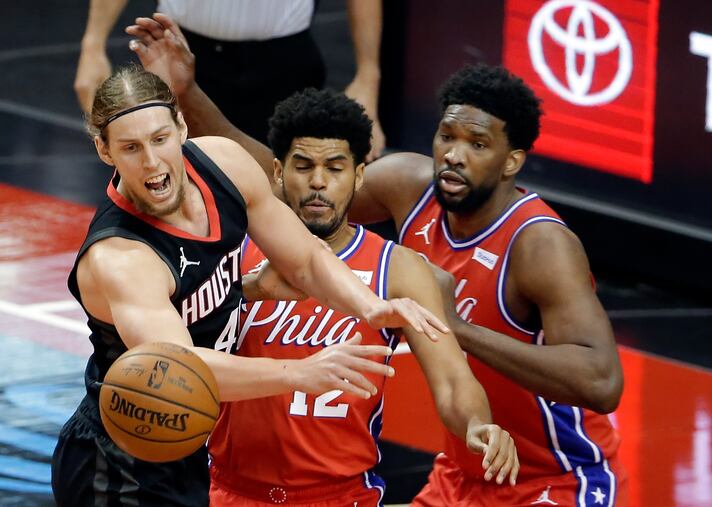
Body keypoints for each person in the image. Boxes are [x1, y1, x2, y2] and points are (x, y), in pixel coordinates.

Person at [127, 18, 626, 505]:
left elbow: (599, 383)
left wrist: (449, 328)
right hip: (453, 471)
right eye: (447, 137)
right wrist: (187, 94)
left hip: (549, 473)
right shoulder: (405, 186)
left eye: (477, 145)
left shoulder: (538, 244)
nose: (453, 155)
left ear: (511, 160)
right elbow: (283, 181)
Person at [50, 65, 447, 507]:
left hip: (185, 447)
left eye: (160, 139)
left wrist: (368, 306)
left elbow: (307, 259)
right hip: (120, 458)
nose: (151, 162)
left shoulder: (224, 163)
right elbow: (182, 371)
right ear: (104, 151)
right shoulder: (120, 257)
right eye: (130, 147)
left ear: (181, 126)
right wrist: (301, 372)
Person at [207, 88, 518, 506]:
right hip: (229, 489)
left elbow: (452, 380)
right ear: (278, 173)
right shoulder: (235, 245)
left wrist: (477, 424)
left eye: (334, 168)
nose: (318, 182)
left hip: (340, 495)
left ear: (358, 176)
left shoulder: (399, 268)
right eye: (304, 166)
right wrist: (245, 290)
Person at [75, 1, 385, 158]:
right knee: (167, 186)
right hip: (176, 53)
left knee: (283, 198)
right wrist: (92, 43)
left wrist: (367, 77)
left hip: (285, 66)